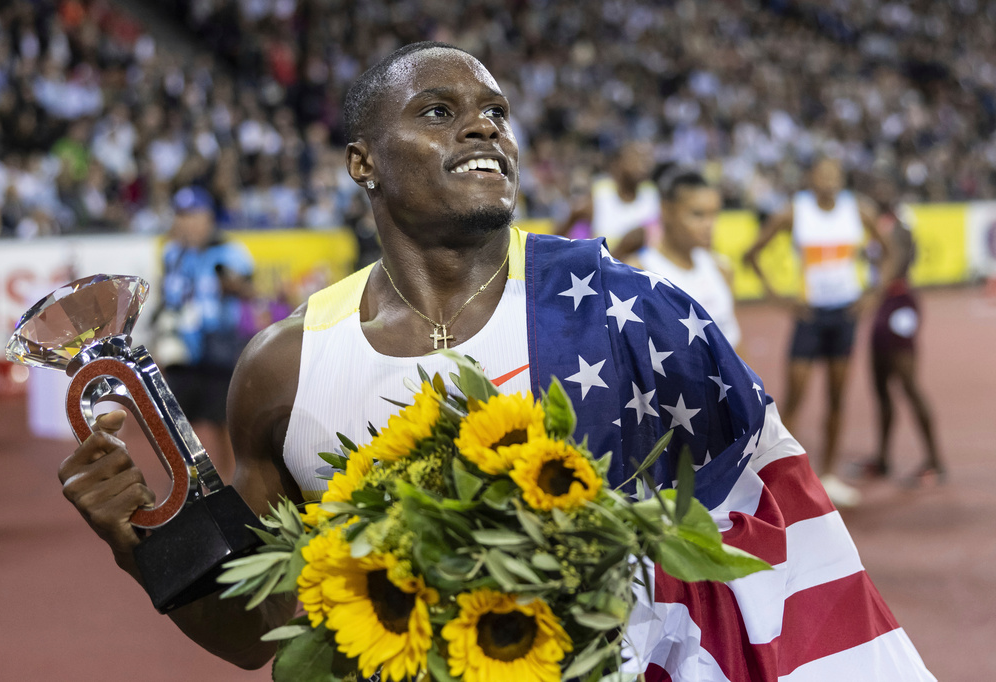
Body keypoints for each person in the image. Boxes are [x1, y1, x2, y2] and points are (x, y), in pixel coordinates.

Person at [59, 44, 933, 680]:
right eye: (437, 110)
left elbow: (764, 526)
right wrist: (142, 547)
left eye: (495, 112)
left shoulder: (624, 312)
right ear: (362, 161)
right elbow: (259, 635)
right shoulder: (283, 369)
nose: (483, 123)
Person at [743, 158, 884, 508]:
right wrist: (778, 297)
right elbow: (752, 254)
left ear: (842, 178)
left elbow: (892, 249)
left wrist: (873, 294)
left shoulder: (858, 210)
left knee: (836, 397)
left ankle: (830, 475)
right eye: (822, 174)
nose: (829, 180)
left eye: (835, 174)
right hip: (809, 315)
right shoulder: (796, 211)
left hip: (845, 314)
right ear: (810, 178)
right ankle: (781, 477)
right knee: (795, 398)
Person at [151, 186, 255, 481]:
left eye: (194, 215)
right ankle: (185, 489)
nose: (187, 223)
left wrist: (233, 286)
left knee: (225, 425)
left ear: (209, 217)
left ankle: (235, 487)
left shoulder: (229, 252)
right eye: (182, 216)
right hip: (181, 350)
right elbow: (167, 293)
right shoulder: (172, 253)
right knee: (175, 426)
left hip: (218, 348)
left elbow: (248, 291)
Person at [863, 192, 944, 484]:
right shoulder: (874, 226)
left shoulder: (901, 226)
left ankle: (936, 461)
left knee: (909, 384)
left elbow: (900, 260)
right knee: (880, 386)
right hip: (883, 305)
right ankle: (883, 459)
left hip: (899, 303)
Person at [637, 167, 743, 354]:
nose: (710, 225)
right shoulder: (638, 273)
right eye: (698, 214)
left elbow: (733, 342)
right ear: (666, 210)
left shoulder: (721, 268)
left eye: (714, 214)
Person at [555, 142, 660, 262]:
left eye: (646, 159)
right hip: (606, 275)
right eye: (636, 158)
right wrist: (623, 248)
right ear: (617, 163)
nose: (643, 165)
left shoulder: (651, 194)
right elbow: (562, 229)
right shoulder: (600, 195)